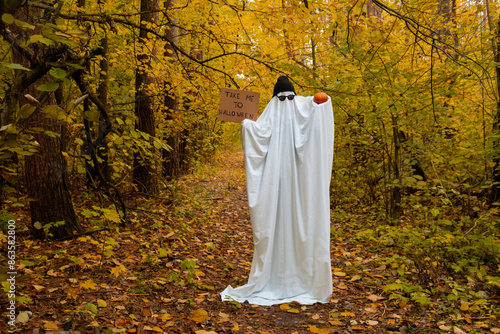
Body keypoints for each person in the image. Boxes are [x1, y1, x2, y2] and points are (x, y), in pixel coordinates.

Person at [220, 76, 335, 306]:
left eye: (288, 97)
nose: (285, 101)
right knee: (284, 225)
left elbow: (259, 134)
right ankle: (293, 280)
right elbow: (260, 132)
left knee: (290, 225)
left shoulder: (286, 110)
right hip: (282, 189)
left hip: (295, 187)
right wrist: (247, 125)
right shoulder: (297, 109)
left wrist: (321, 103)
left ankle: (291, 279)